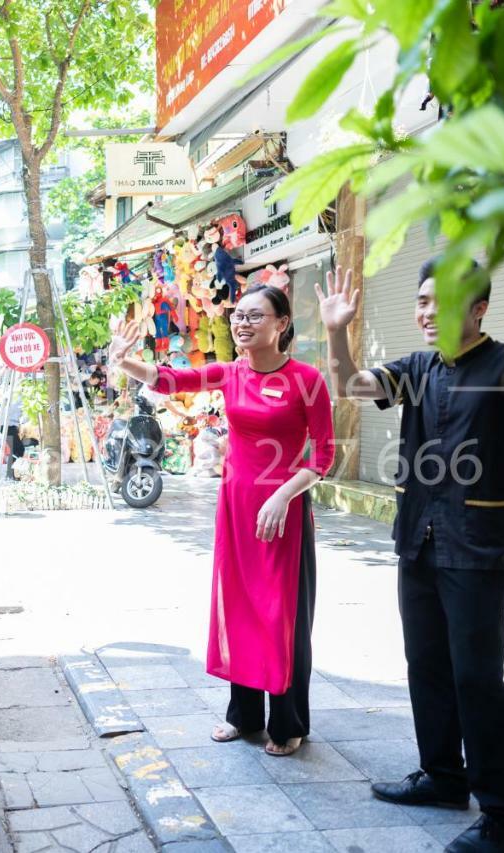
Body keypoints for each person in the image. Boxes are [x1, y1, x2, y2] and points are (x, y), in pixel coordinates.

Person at [318, 261, 504, 853]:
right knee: (426, 664)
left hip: (478, 544)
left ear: (479, 309)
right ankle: (442, 776)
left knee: (477, 678)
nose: (428, 311)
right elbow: (351, 386)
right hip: (419, 540)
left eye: (444, 301)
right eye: (423, 300)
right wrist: (336, 331)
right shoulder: (417, 368)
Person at [109, 285, 335, 756]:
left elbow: (324, 456)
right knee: (238, 606)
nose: (242, 324)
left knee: (281, 616)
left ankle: (288, 722)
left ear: (282, 324)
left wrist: (283, 496)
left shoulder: (307, 379)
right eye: (238, 316)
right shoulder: (231, 373)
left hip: (283, 515)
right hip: (235, 508)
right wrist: (123, 359)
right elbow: (171, 379)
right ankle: (244, 715)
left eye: (255, 316)